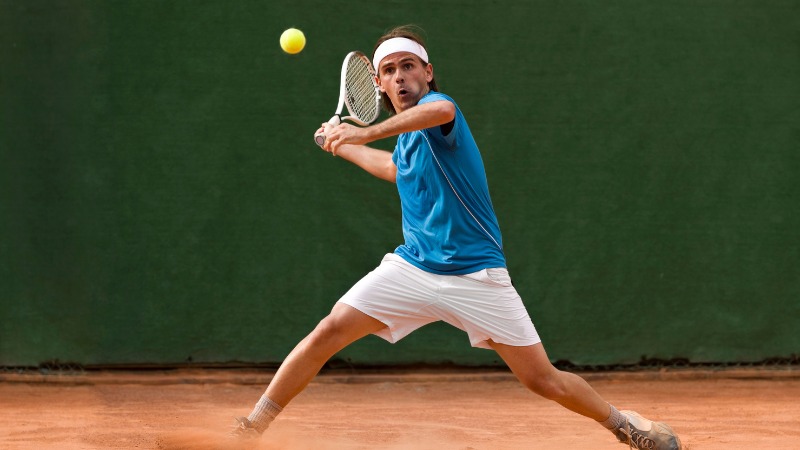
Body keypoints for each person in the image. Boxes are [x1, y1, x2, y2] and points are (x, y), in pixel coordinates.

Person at [231, 25, 682, 450]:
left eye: (410, 66)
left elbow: (438, 111)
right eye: (390, 71)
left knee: (543, 380)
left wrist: (362, 131)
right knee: (327, 331)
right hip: (412, 268)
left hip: (476, 275)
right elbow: (393, 168)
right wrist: (344, 144)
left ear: (427, 72)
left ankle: (625, 425)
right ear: (378, 85)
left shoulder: (441, 112)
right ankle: (252, 428)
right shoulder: (407, 141)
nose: (401, 76)